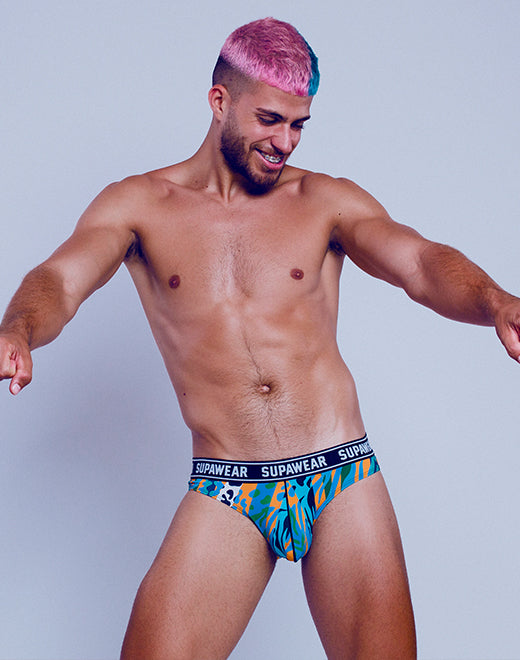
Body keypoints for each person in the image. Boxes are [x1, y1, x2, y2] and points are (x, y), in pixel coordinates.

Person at [1, 16, 519, 659]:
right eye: (270, 120)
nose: (285, 142)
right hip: (229, 485)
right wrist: (18, 327)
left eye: (299, 125)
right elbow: (60, 279)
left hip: (341, 473)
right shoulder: (138, 206)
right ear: (219, 101)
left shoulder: (324, 201)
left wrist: (494, 300)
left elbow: (419, 262)